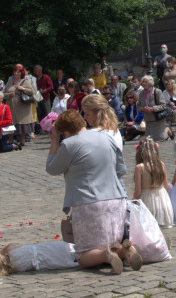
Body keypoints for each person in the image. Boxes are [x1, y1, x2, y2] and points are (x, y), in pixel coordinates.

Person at [46, 109, 130, 274]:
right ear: (83, 122)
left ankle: (107, 255)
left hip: (88, 202)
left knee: (84, 255)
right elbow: (121, 169)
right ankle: (123, 251)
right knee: (111, 240)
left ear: (66, 132)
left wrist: (55, 141)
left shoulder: (69, 144)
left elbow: (52, 168)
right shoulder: (106, 137)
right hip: (116, 199)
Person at [133, 137, 173, 229]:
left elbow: (138, 193)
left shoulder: (139, 168)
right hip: (162, 201)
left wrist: (133, 202)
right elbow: (166, 187)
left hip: (148, 203)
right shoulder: (161, 164)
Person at [0, 241, 82, 277]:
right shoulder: (11, 252)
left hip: (47, 262)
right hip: (47, 249)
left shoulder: (16, 268)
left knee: (66, 260)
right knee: (70, 249)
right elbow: (11, 244)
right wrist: (1, 251)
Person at [5, 65, 38, 149]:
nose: (16, 73)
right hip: (11, 106)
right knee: (10, 122)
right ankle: (10, 139)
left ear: (21, 73)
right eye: (15, 71)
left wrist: (23, 89)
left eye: (18, 72)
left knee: (22, 123)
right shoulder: (9, 82)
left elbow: (32, 92)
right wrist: (9, 95)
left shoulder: (25, 81)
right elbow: (3, 94)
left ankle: (22, 139)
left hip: (22, 106)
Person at [137, 76, 169, 142]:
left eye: (145, 82)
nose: (143, 83)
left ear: (150, 83)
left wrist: (153, 108)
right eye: (142, 81)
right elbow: (138, 106)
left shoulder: (157, 91)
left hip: (157, 118)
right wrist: (143, 108)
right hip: (148, 119)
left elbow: (163, 105)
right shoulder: (141, 93)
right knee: (150, 139)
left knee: (160, 139)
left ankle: (168, 130)